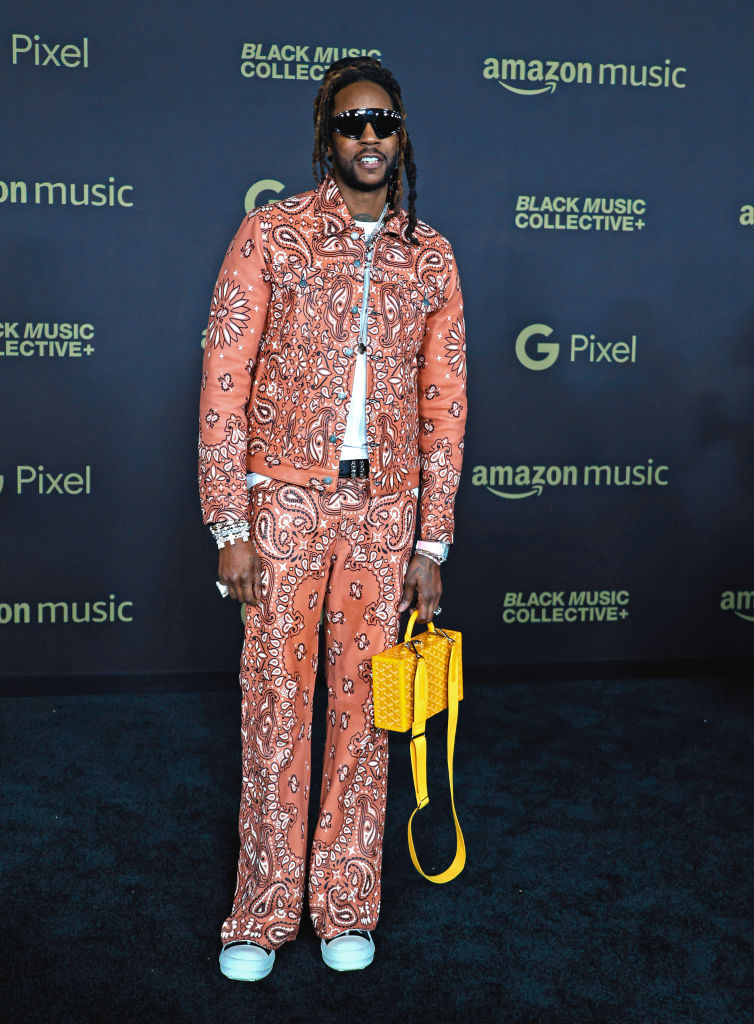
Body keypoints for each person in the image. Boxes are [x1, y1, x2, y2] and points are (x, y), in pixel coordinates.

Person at [198, 56, 467, 980]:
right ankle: (262, 913)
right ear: (327, 135)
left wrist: (432, 539)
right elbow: (223, 385)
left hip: (385, 510)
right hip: (282, 503)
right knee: (276, 707)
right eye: (352, 122)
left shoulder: (429, 254)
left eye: (384, 123)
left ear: (402, 137)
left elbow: (446, 401)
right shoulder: (270, 233)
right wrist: (227, 523)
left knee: (363, 711)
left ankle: (346, 903)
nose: (368, 138)